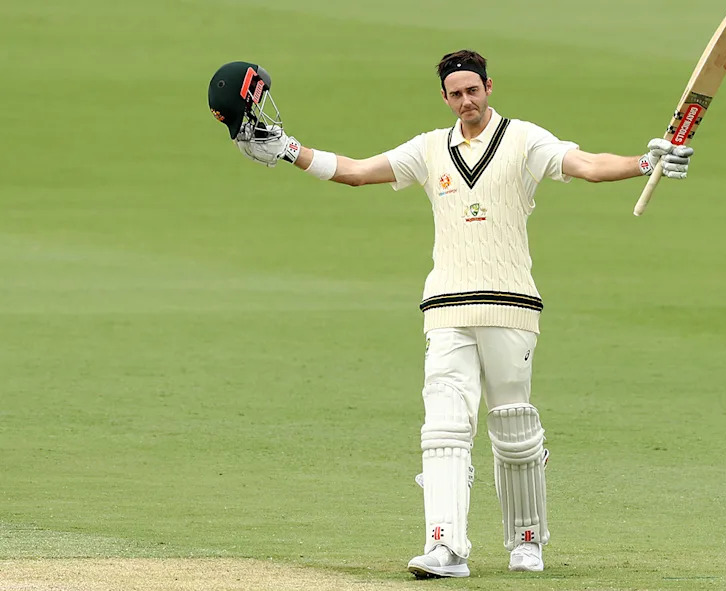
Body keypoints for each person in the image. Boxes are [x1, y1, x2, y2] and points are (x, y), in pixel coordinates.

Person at [208, 51, 693, 579]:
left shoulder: (525, 139)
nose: (466, 101)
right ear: (445, 97)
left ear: (488, 86)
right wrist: (290, 150)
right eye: (456, 94)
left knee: (514, 427)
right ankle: (446, 547)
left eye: (473, 91)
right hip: (445, 305)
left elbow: (588, 165)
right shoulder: (428, 149)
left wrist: (646, 163)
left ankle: (526, 542)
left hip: (510, 301)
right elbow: (355, 172)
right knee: (443, 428)